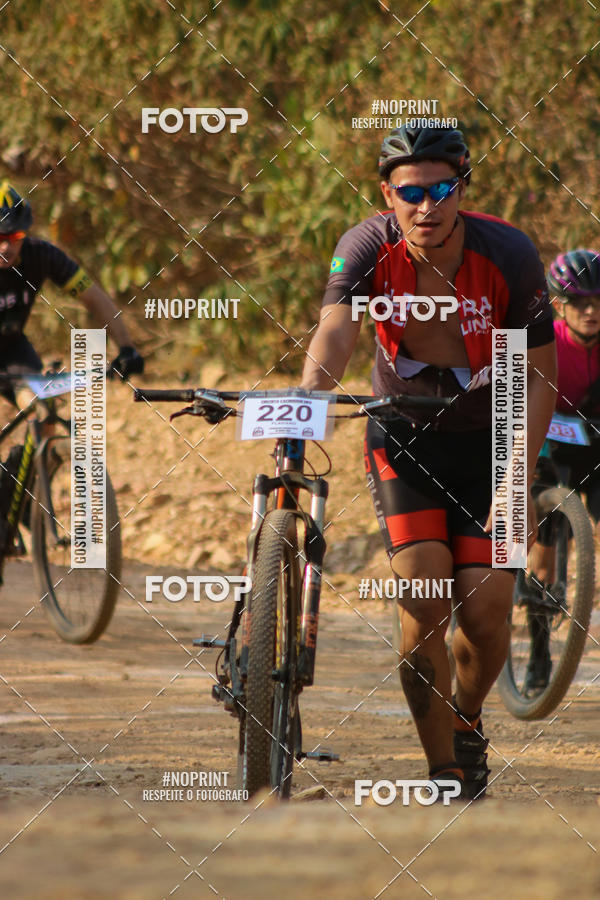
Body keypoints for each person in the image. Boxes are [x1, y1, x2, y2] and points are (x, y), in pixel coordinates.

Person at [301, 125, 556, 799]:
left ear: (462, 191)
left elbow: (537, 376)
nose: (426, 206)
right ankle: (443, 768)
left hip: (491, 438)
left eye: (441, 190)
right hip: (404, 438)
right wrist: (308, 398)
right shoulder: (365, 246)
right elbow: (337, 328)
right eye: (409, 193)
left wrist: (517, 477)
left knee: (489, 609)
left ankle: (468, 720)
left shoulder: (507, 252)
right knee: (423, 599)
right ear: (388, 195)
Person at [0, 180, 144, 555]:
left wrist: (126, 346)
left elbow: (95, 298)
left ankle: (16, 501)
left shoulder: (42, 256)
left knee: (43, 412)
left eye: (13, 235)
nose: (5, 246)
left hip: (13, 349)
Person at [524, 249, 600, 694]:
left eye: (598, 302)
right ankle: (538, 650)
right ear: (560, 305)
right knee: (547, 537)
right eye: (579, 303)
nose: (591, 312)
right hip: (545, 444)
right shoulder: (542, 340)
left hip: (593, 446)